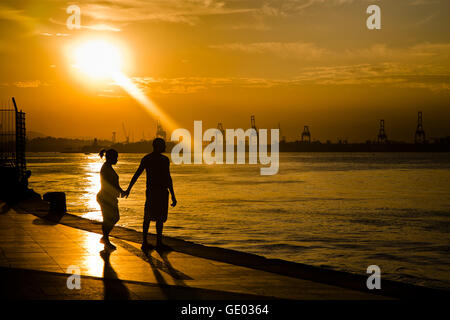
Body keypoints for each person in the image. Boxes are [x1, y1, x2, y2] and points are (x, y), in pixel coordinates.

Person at [124, 138, 177, 251]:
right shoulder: (163, 160)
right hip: (159, 191)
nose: (165, 148)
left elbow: (137, 174)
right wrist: (173, 195)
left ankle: (149, 242)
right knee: (156, 218)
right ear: (158, 146)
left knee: (153, 217)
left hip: (155, 191)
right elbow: (168, 178)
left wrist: (129, 189)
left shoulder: (148, 158)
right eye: (163, 146)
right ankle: (154, 243)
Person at [97, 149, 125, 250]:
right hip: (105, 197)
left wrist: (121, 191)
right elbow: (110, 184)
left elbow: (114, 185)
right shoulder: (106, 168)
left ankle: (105, 238)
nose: (117, 159)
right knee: (110, 218)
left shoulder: (108, 167)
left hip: (109, 197)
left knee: (112, 218)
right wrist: (119, 191)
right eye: (116, 157)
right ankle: (105, 238)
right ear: (111, 157)